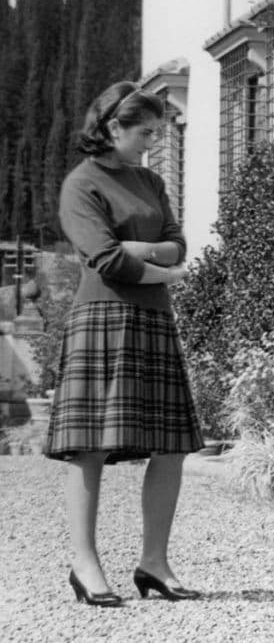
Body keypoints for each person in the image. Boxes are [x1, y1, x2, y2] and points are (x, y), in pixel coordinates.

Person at [45, 82, 203, 605]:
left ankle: (154, 563)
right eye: (144, 132)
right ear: (113, 127)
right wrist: (165, 271)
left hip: (152, 320)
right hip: (102, 320)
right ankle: (85, 565)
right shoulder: (81, 184)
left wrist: (144, 251)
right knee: (89, 448)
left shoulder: (152, 181)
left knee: (172, 446)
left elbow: (179, 241)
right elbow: (106, 259)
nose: (151, 143)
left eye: (156, 133)